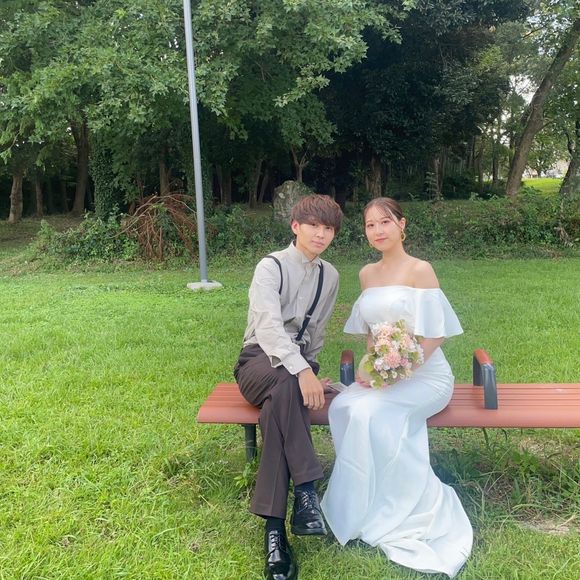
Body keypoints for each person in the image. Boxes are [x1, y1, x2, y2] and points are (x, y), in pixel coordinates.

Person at [321, 197, 473, 578]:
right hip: (385, 371)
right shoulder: (366, 274)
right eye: (370, 225)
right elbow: (372, 334)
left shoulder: (420, 270)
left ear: (402, 225)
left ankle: (403, 504)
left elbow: (436, 335)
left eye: (385, 222)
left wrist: (399, 369)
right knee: (344, 407)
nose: (378, 231)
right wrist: (373, 365)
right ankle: (363, 500)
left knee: (372, 411)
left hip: (426, 375)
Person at [234, 194, 343, 580]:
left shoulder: (330, 276)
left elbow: (317, 332)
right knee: (286, 383)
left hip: (295, 369)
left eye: (328, 228)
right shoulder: (271, 266)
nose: (321, 234)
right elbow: (267, 329)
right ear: (296, 227)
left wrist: (309, 369)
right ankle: (307, 491)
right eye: (313, 225)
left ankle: (274, 532)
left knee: (281, 402)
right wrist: (302, 373)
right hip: (257, 361)